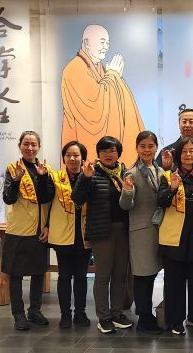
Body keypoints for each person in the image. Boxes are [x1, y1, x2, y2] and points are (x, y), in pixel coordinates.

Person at [71, 136, 132, 334]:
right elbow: (77, 198)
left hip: (123, 230)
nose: (108, 154)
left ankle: (117, 313)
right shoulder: (92, 173)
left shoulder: (125, 173)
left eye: (112, 150)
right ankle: (104, 317)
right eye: (104, 150)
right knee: (103, 276)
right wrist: (85, 177)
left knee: (120, 275)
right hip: (101, 231)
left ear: (118, 153)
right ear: (98, 154)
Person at [61, 24, 144, 167]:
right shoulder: (75, 68)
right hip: (81, 143)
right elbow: (94, 109)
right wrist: (113, 75)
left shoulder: (99, 68)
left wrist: (113, 76)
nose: (106, 47)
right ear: (87, 42)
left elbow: (109, 94)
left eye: (107, 43)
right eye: (102, 42)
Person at [2, 131, 54, 331]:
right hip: (18, 229)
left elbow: (47, 198)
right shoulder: (12, 169)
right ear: (19, 146)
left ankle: (35, 310)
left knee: (38, 271)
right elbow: (8, 198)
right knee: (15, 273)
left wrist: (42, 177)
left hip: (39, 229)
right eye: (26, 144)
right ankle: (18, 314)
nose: (30, 148)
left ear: (39, 147)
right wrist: (16, 180)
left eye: (33, 144)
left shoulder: (45, 170)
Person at [158, 137, 193, 336]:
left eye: (192, 151)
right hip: (174, 236)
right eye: (184, 151)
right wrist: (171, 188)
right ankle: (175, 320)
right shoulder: (168, 176)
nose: (188, 154)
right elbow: (160, 201)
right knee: (174, 282)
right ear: (178, 155)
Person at [119, 131, 164, 334]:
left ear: (156, 148)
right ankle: (144, 318)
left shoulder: (160, 171)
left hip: (158, 230)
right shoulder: (132, 174)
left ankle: (146, 313)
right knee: (142, 276)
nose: (147, 150)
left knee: (151, 274)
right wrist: (127, 191)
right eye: (143, 146)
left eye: (150, 146)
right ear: (137, 148)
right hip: (140, 232)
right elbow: (125, 205)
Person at [46, 141, 91, 328]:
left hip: (84, 234)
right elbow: (46, 203)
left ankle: (80, 313)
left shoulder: (90, 176)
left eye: (76, 155)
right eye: (68, 155)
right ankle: (65, 314)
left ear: (83, 158)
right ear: (64, 158)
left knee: (81, 276)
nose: (72, 159)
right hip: (63, 233)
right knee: (64, 276)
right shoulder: (55, 178)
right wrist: (46, 226)